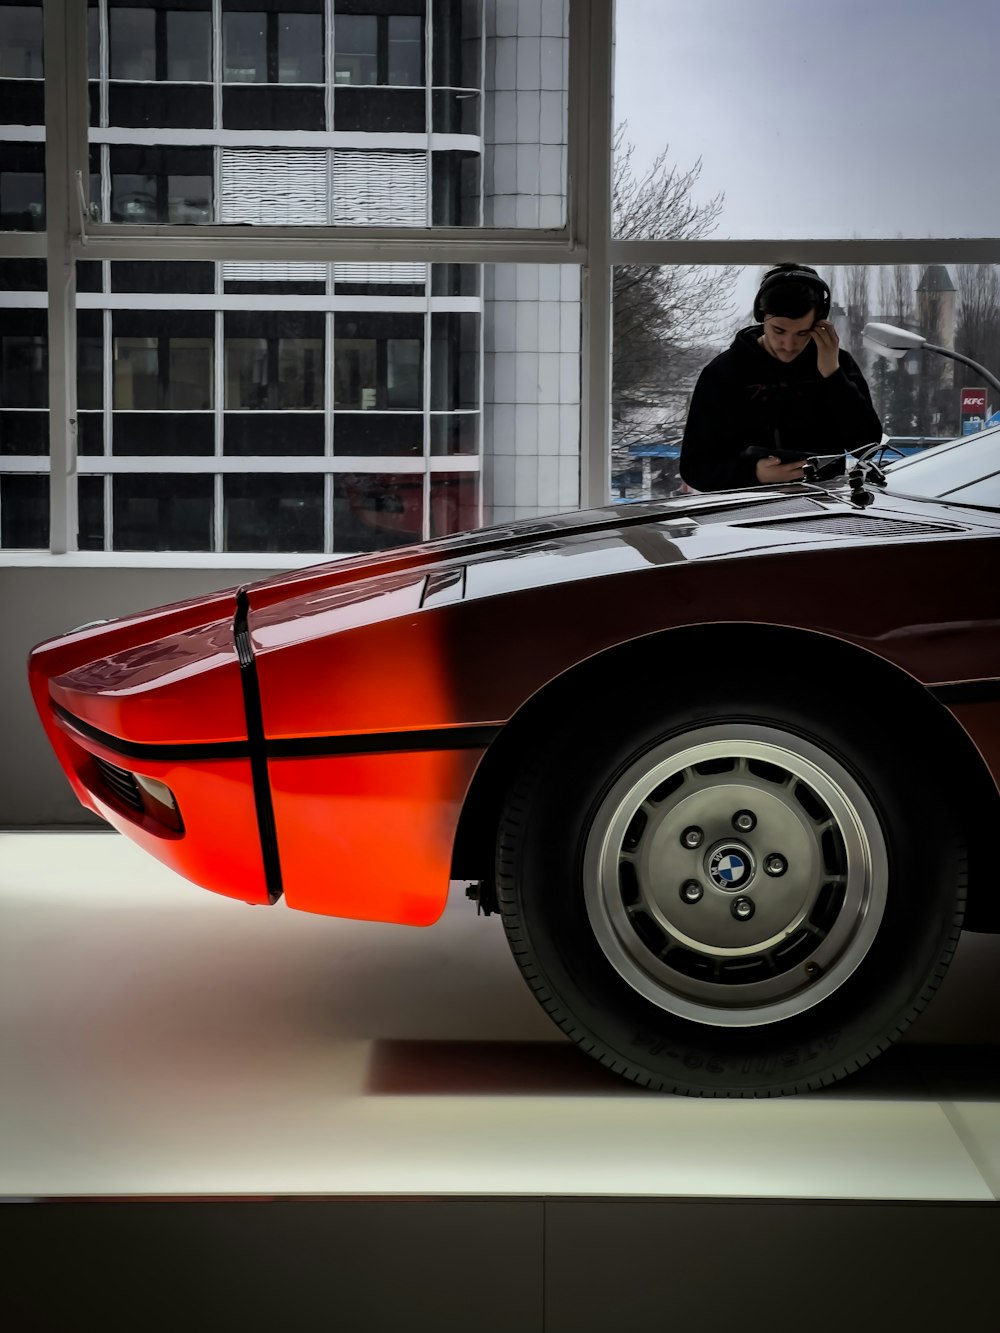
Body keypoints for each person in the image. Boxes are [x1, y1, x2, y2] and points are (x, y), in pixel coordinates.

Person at [679, 263, 882, 492]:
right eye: (778, 331)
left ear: (819, 323)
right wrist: (753, 473)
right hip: (743, 510)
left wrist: (832, 376)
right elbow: (694, 468)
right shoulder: (722, 373)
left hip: (825, 507)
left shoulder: (837, 364)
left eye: (802, 333)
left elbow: (867, 446)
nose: (789, 345)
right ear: (761, 317)